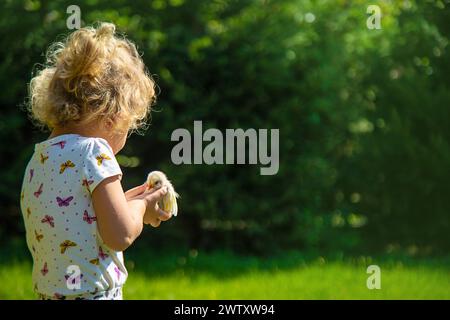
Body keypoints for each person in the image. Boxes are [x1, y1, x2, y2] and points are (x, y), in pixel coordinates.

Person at [19, 22, 171, 300]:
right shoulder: (94, 151)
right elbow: (120, 235)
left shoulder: (39, 158)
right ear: (113, 116)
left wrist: (124, 204)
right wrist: (142, 206)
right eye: (128, 126)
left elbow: (78, 219)